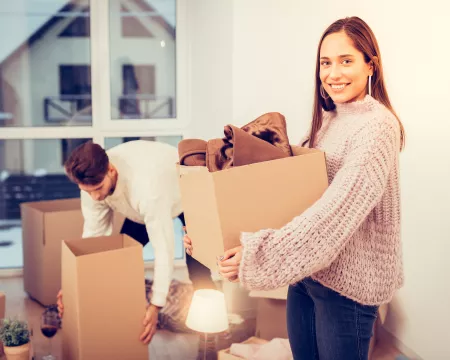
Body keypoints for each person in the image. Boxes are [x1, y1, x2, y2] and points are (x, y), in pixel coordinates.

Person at [184, 16, 405, 359]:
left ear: (370, 65)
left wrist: (258, 255)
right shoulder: (328, 121)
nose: (333, 74)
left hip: (348, 290)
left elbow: (335, 214)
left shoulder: (377, 127)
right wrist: (212, 234)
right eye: (325, 63)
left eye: (346, 61)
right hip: (307, 275)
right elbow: (285, 198)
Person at [57, 139, 215, 345]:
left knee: (197, 266)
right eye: (88, 191)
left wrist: (156, 306)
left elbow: (164, 250)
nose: (94, 197)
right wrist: (73, 285)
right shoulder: (91, 182)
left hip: (190, 193)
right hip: (143, 206)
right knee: (122, 255)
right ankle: (125, 314)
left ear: (111, 171)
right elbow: (94, 240)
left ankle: (212, 333)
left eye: (97, 188)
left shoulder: (147, 190)